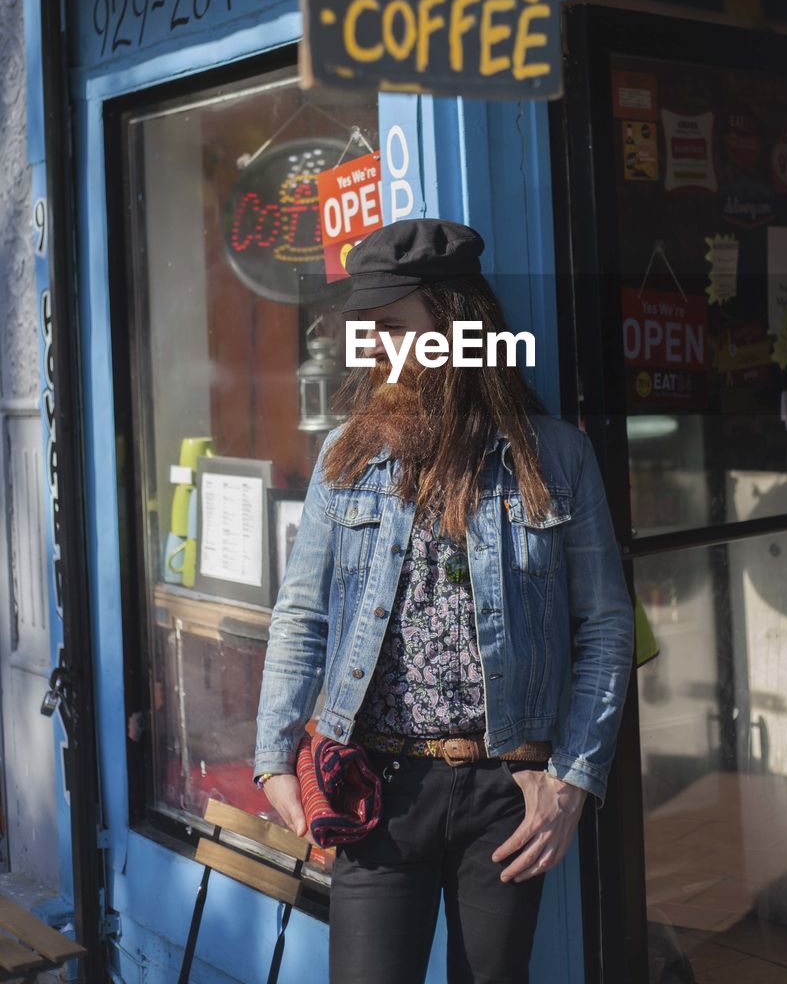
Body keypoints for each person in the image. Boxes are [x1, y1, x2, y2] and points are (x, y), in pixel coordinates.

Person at [254, 218, 634, 984]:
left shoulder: (554, 455)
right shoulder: (346, 454)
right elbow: (302, 615)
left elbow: (604, 625)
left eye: (390, 326)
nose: (372, 348)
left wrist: (571, 783)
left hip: (505, 792)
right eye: (365, 330)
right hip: (376, 789)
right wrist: (272, 758)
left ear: (456, 327)